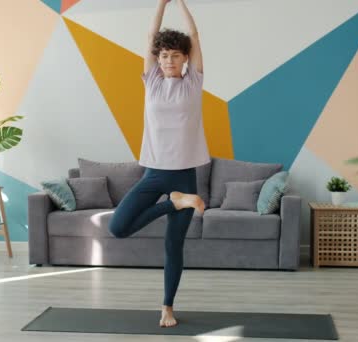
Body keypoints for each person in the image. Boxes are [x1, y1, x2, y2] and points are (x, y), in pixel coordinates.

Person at [107, 0, 210, 328]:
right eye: (163, 55)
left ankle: (167, 307)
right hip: (154, 174)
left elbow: (195, 36)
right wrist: (161, 4)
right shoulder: (150, 80)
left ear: (184, 59)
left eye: (175, 55)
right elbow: (151, 34)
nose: (168, 60)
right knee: (118, 227)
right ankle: (175, 204)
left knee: (173, 246)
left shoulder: (193, 83)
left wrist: (179, 4)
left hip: (185, 175)